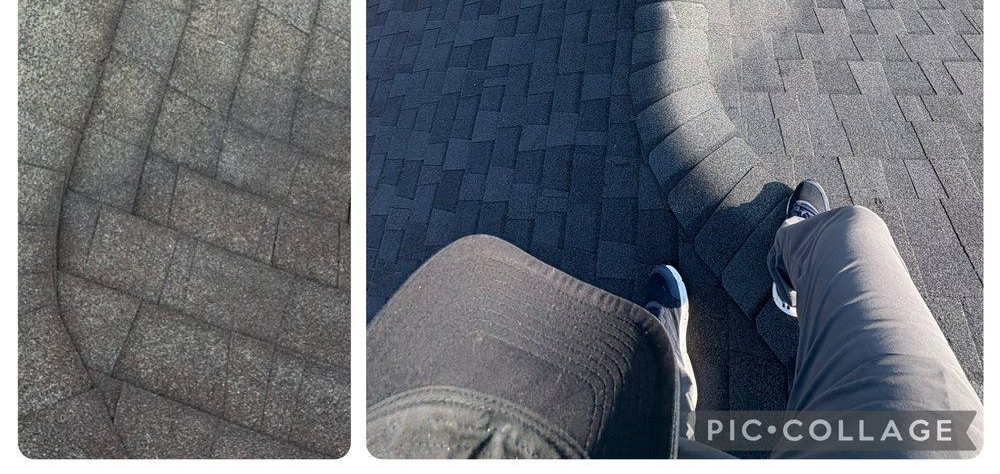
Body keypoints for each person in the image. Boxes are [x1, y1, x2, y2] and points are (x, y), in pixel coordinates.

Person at [367, 180, 983, 458]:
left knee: (679, 446)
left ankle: (674, 400)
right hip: (928, 446)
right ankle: (788, 246)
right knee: (853, 229)